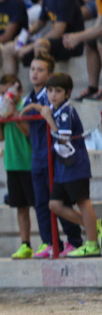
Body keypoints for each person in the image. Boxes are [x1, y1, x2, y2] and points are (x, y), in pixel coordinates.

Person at [19, 54, 84, 257]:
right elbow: (29, 131)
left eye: (40, 70)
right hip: (37, 157)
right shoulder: (29, 97)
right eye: (32, 69)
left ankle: (75, 240)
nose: (35, 73)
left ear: (49, 74)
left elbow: (54, 117)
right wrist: (15, 114)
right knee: (40, 203)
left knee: (59, 203)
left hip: (53, 157)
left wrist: (37, 108)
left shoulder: (52, 97)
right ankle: (49, 242)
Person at [39, 74, 100, 258]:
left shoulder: (66, 111)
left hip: (75, 165)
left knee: (82, 201)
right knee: (54, 204)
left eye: (58, 91)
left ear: (67, 94)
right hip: (62, 169)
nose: (53, 95)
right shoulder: (53, 108)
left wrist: (49, 120)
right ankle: (95, 226)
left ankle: (92, 243)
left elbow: (63, 138)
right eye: (50, 91)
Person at [1, 0, 84, 76]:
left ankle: (43, 90)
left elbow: (58, 31)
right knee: (8, 48)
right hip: (56, 42)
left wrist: (29, 47)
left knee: (41, 44)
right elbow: (40, 23)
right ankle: (10, 90)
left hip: (70, 43)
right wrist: (23, 36)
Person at [0, 75, 34, 259]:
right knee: (20, 206)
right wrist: (0, 119)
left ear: (19, 91)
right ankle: (25, 244)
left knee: (39, 204)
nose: (6, 96)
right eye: (2, 93)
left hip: (29, 163)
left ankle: (50, 242)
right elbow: (0, 138)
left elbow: (29, 133)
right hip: (12, 163)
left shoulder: (26, 107)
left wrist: (15, 116)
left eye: (8, 91)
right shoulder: (4, 108)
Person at [63, 0, 102, 100]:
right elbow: (97, 25)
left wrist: (77, 37)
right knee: (90, 40)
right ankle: (93, 88)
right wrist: (76, 37)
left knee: (100, 39)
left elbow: (100, 30)